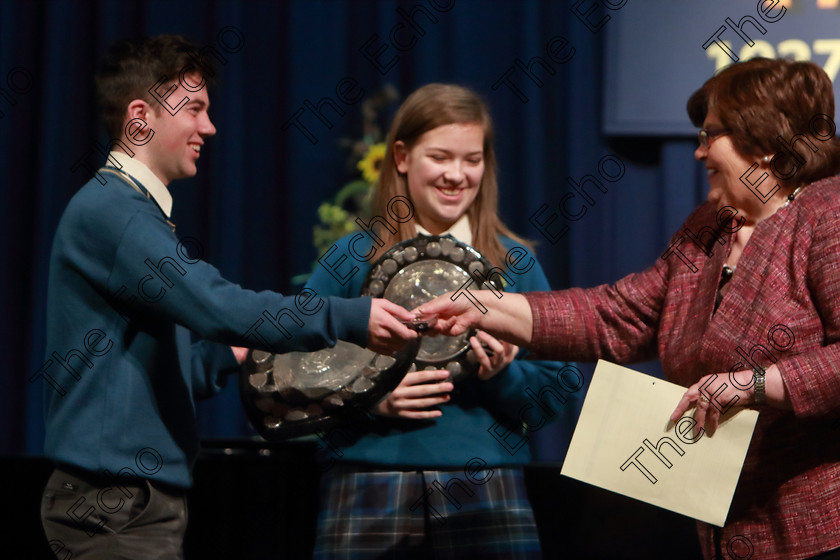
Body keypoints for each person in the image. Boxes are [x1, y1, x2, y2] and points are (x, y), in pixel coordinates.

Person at [419, 58, 840, 560]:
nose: (699, 150)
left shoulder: (827, 216)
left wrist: (755, 384)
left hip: (818, 532)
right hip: (723, 531)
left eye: (711, 135)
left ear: (765, 143)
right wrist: (485, 306)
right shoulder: (710, 226)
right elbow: (618, 315)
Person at [38, 34, 417, 560]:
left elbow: (178, 371)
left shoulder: (130, 212)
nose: (208, 127)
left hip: (134, 500)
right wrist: (352, 315)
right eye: (194, 108)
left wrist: (237, 352)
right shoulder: (115, 212)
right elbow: (218, 306)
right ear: (140, 116)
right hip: (116, 502)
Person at [308, 83, 570, 559]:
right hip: (370, 481)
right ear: (403, 157)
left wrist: (503, 375)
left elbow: (557, 394)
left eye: (472, 159)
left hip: (486, 486)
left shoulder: (515, 265)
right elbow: (292, 367)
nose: (457, 175)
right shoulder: (351, 259)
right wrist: (371, 393)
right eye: (441, 157)